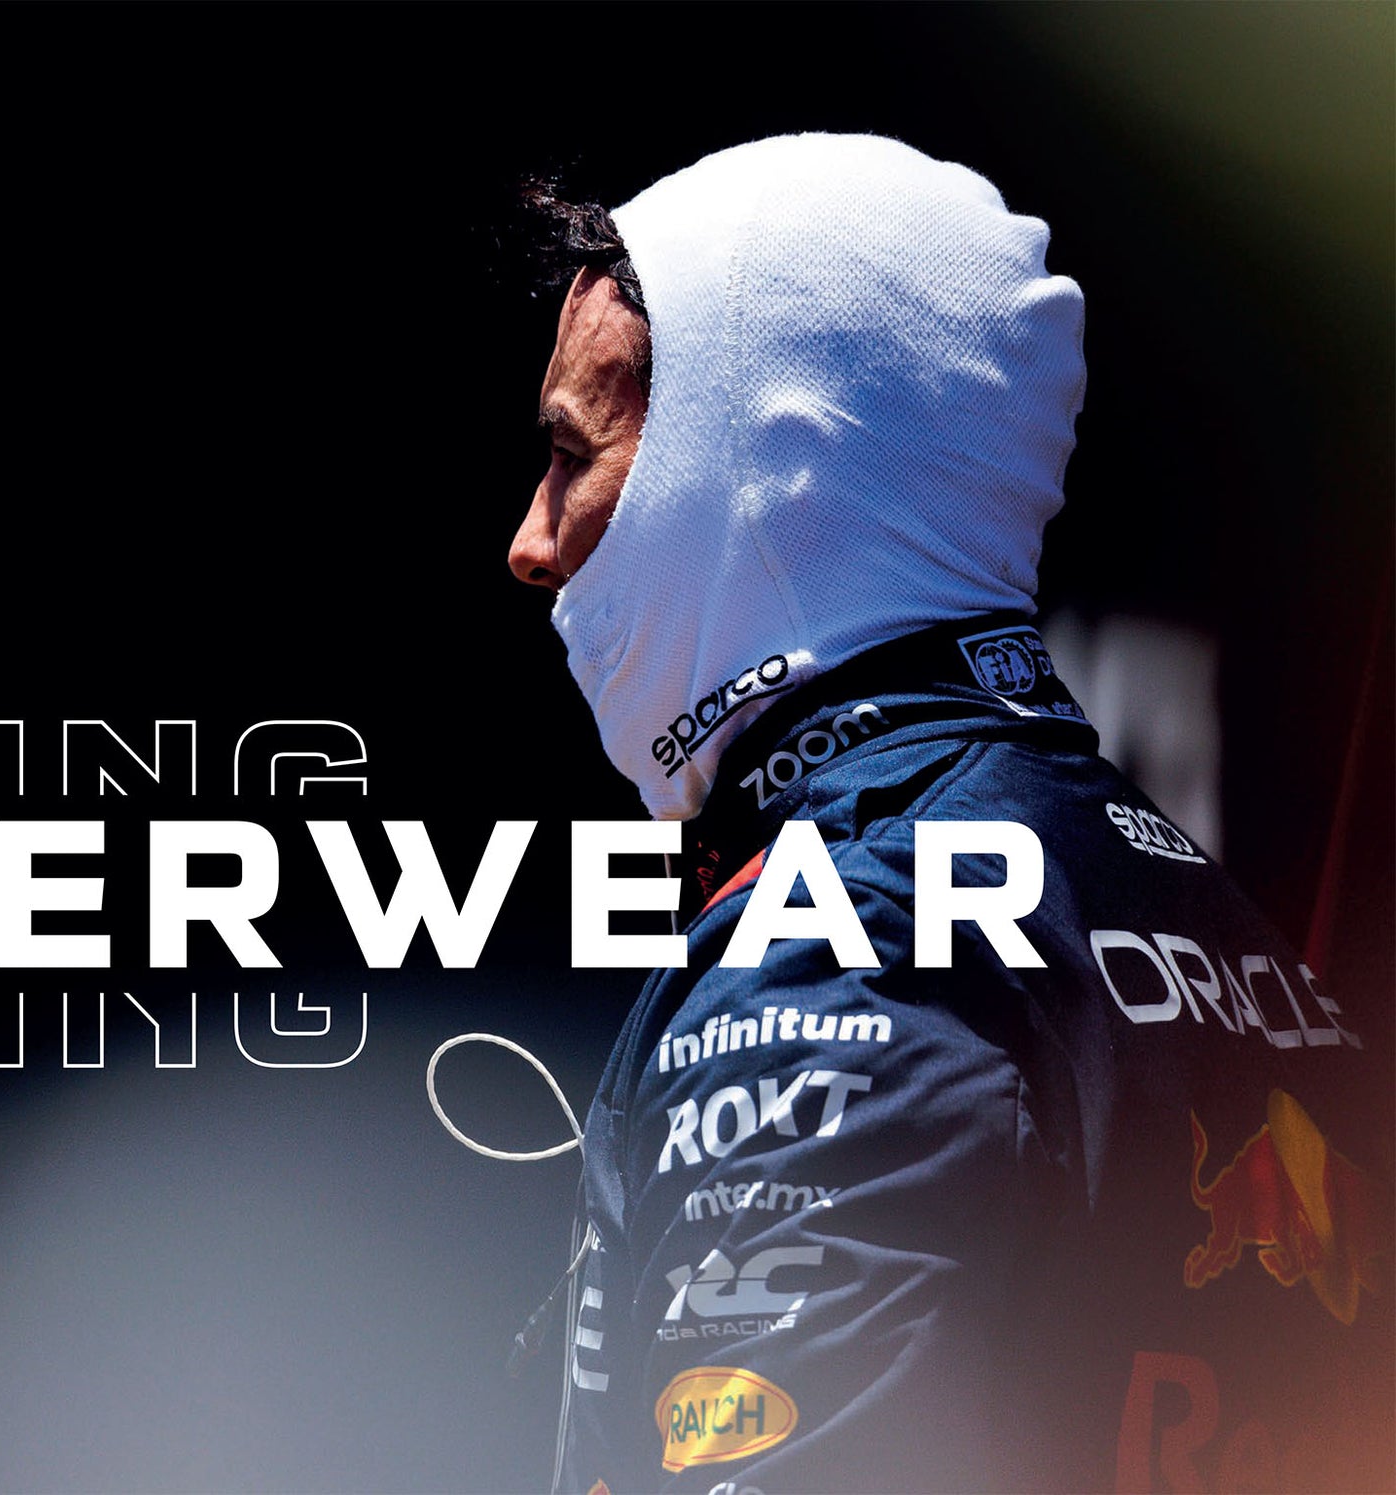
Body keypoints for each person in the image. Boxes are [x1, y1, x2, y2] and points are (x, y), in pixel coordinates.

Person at [506, 134, 1391, 1493]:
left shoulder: (837, 951)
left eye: (573, 454)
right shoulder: (1194, 907)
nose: (531, 542)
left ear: (763, 469)